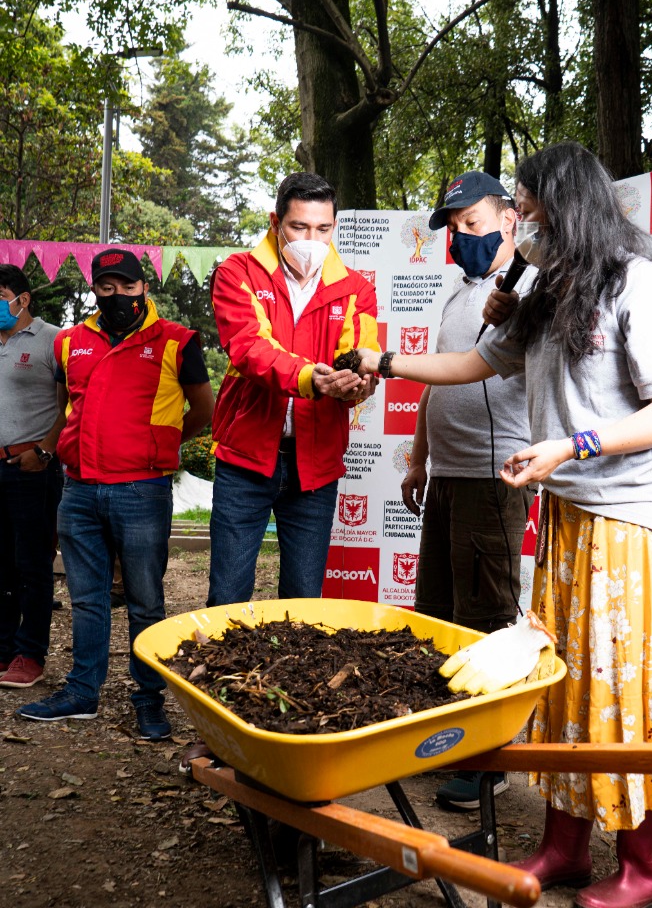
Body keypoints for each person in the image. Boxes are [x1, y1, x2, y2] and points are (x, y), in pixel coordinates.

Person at [355, 141, 652, 908]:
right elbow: (474, 366)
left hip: (636, 525)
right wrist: (383, 361)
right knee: (564, 685)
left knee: (628, 692)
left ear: (569, 211)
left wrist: (570, 446)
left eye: (536, 217)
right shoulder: (545, 294)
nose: (525, 232)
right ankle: (565, 846)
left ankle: (642, 867)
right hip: (572, 520)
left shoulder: (641, 287)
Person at [16, 248, 214, 740]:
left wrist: (158, 445)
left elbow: (205, 412)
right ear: (96, 289)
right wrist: (55, 451)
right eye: (107, 286)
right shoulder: (70, 342)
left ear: (144, 286)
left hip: (141, 490)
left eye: (127, 285)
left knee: (146, 601)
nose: (118, 295)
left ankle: (148, 699)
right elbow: (68, 409)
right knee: (86, 599)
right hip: (79, 490)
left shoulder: (177, 341)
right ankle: (82, 694)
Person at [404, 171, 535, 812]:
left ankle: (490, 759)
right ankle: (448, 741)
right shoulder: (457, 297)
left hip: (496, 475)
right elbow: (437, 383)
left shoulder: (531, 287)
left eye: (472, 222)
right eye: (453, 227)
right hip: (447, 476)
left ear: (511, 219)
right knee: (437, 615)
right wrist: (416, 460)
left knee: (486, 617)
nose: (460, 236)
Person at [206, 172, 379, 607]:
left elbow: (361, 354)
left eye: (323, 228)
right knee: (227, 594)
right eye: (299, 227)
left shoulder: (356, 288)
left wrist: (356, 384)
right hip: (245, 457)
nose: (311, 238)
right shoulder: (237, 272)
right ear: (275, 221)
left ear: (335, 226)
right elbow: (249, 347)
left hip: (316, 463)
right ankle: (221, 678)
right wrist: (310, 379)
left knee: (303, 599)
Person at [0, 266, 64, 689]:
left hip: (31, 467)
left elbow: (71, 402)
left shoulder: (54, 339)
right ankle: (4, 649)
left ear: (22, 299)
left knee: (32, 564)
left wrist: (43, 451)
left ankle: (30, 653)